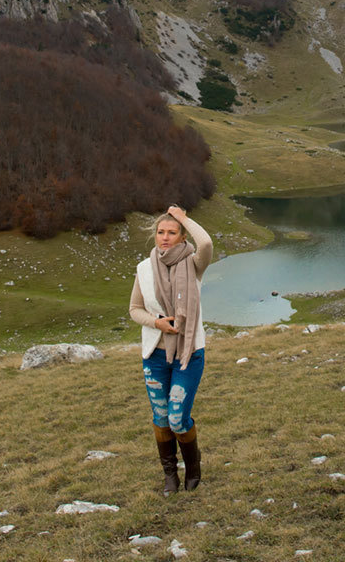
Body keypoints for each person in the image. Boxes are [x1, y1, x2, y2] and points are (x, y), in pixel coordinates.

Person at [129, 204, 212, 494]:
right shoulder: (144, 269)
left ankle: (193, 467)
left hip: (189, 354)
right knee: (161, 417)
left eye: (172, 232)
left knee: (178, 417)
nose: (165, 237)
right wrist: (157, 323)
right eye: (161, 232)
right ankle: (169, 475)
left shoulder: (194, 263)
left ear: (181, 236)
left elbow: (206, 243)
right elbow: (134, 309)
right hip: (155, 355)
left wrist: (184, 218)